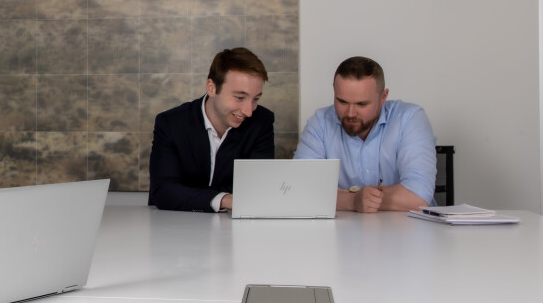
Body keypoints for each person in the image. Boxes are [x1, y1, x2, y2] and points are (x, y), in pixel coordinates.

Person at [294, 56, 436, 213]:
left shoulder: (409, 118)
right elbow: (300, 189)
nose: (350, 113)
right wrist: (353, 201)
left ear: (383, 97)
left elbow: (417, 197)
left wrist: (345, 198)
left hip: (408, 226)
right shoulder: (320, 122)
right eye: (342, 102)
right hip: (343, 227)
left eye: (361, 104)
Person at [148, 47, 275, 212]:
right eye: (240, 97)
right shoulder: (170, 123)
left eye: (255, 99)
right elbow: (164, 192)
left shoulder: (262, 122)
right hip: (174, 223)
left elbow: (259, 188)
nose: (249, 111)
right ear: (212, 88)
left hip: (234, 225)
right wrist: (224, 200)